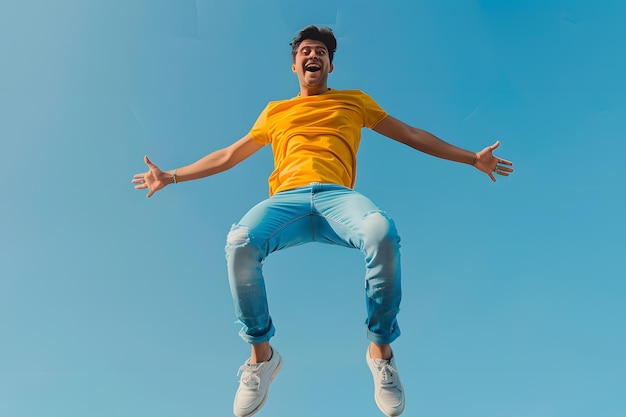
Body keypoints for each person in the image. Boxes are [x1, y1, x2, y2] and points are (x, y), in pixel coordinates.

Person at [132, 25, 513, 417]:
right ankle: (262, 357)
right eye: (306, 51)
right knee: (240, 243)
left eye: (321, 52)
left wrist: (471, 157)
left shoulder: (355, 101)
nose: (313, 56)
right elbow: (228, 155)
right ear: (294, 64)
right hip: (286, 202)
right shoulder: (275, 111)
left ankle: (380, 350)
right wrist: (170, 175)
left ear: (330, 64)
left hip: (337, 199)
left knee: (382, 232)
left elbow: (412, 134)